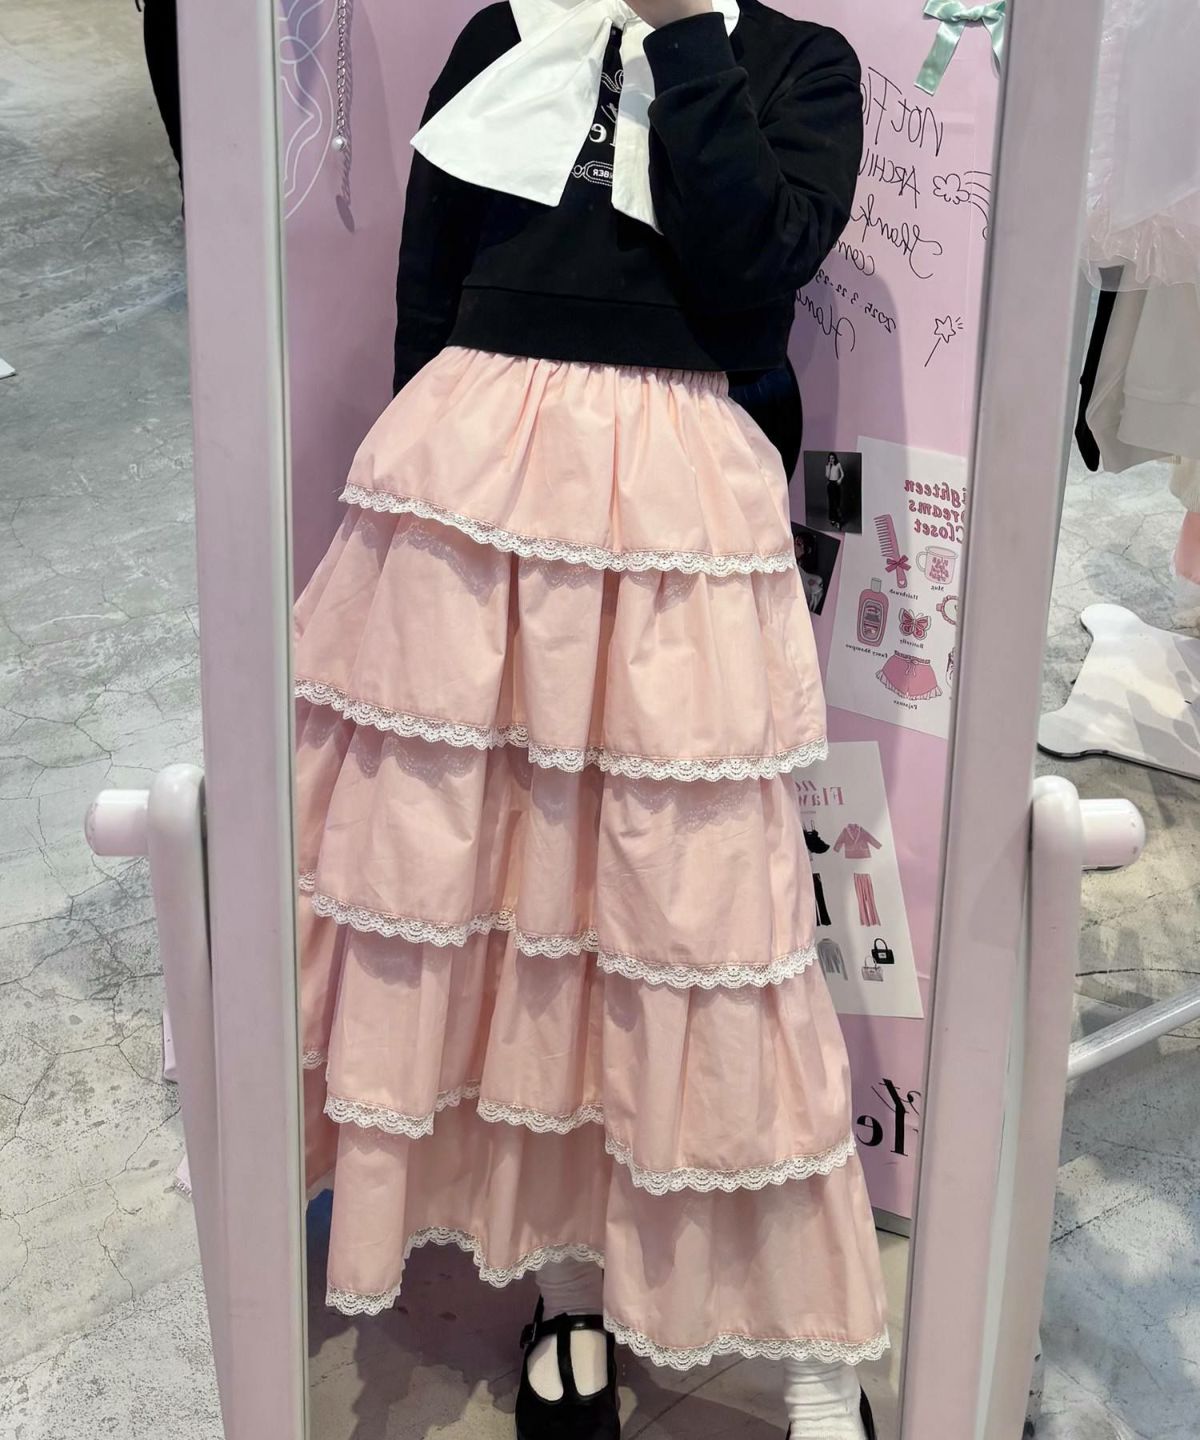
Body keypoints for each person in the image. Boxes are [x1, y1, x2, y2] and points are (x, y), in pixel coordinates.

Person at [293, 4, 886, 1438]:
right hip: (472, 497)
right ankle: (562, 1286)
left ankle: (811, 1348)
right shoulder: (508, 24)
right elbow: (430, 282)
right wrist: (421, 510)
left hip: (681, 505)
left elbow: (754, 271)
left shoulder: (801, 62)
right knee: (502, 898)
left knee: (706, 922)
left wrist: (683, 37)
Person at [825, 451, 846, 529]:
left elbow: (843, 474)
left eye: (833, 458)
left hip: (836, 484)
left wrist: (840, 479)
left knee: (836, 503)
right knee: (831, 503)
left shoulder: (838, 464)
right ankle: (832, 519)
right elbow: (827, 476)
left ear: (835, 458)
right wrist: (828, 467)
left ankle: (838, 521)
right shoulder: (828, 465)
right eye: (830, 458)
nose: (831, 459)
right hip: (830, 484)